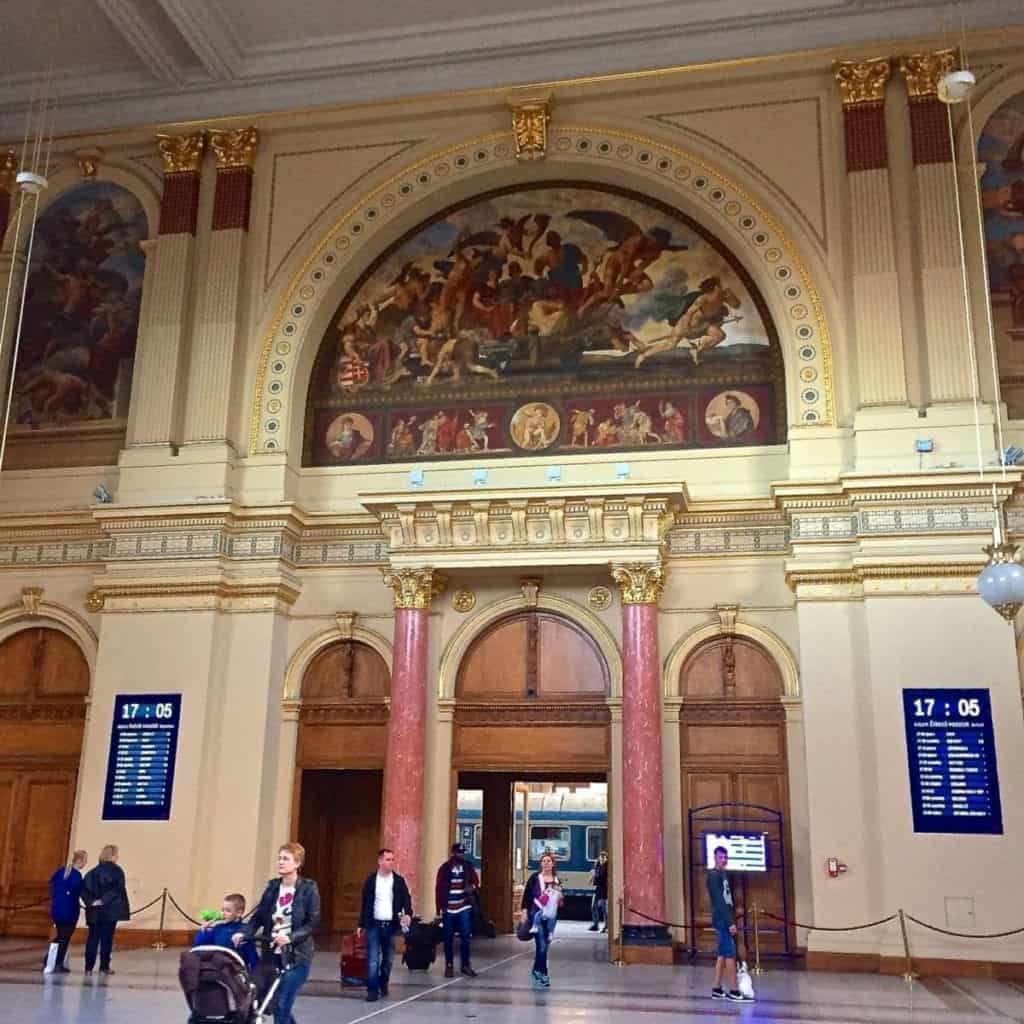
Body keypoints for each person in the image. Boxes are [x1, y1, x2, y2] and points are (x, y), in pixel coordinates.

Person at [237, 843, 320, 1024]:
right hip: (271, 955)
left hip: (296, 956)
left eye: (286, 859)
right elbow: (258, 917)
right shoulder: (273, 887)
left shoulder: (308, 889)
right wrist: (244, 932)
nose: (280, 862)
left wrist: (289, 938)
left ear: (297, 863)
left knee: (282, 1005)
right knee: (274, 1005)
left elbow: (311, 923)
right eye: (280, 858)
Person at [358, 848, 412, 1003]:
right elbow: (365, 903)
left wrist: (407, 913)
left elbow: (406, 899)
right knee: (373, 958)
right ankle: (372, 989)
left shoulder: (398, 881)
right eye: (388, 859)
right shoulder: (371, 880)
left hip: (390, 925)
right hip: (373, 923)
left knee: (388, 959)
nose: (391, 862)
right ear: (380, 861)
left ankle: (383, 982)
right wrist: (361, 923)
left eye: (392, 859)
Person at [706, 845, 750, 1002]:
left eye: (725, 857)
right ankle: (734, 990)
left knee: (722, 954)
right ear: (715, 858)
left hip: (725, 918)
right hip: (721, 919)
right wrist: (729, 922)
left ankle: (716, 988)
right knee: (730, 953)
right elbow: (719, 901)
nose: (723, 860)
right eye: (720, 857)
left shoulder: (723, 874)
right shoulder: (713, 876)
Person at [81, 845, 130, 975]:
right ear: (113, 855)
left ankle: (88, 968)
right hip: (110, 911)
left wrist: (92, 902)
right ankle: (104, 967)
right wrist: (104, 900)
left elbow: (84, 890)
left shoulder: (92, 872)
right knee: (107, 939)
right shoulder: (117, 871)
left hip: (94, 911)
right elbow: (117, 889)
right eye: (117, 854)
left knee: (92, 939)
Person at [435, 842, 479, 979]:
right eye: (458, 852)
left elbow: (476, 882)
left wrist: (471, 887)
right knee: (448, 938)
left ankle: (465, 965)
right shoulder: (444, 868)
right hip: (449, 907)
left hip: (464, 906)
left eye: (462, 853)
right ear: (453, 853)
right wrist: (439, 908)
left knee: (466, 937)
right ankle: (449, 965)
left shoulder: (468, 867)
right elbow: (438, 888)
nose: (461, 855)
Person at [520, 852, 563, 988]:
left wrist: (561, 899)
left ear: (553, 864)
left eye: (549, 861)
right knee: (542, 945)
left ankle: (535, 970)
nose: (546, 863)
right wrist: (525, 912)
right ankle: (543, 974)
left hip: (551, 916)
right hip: (536, 913)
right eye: (544, 861)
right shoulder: (534, 878)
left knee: (544, 946)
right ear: (541, 863)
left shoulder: (556, 880)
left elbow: (560, 899)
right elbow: (527, 895)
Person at [193, 893, 258, 970]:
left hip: (235, 970)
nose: (223, 913)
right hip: (216, 967)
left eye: (228, 911)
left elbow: (252, 956)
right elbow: (198, 946)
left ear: (239, 913)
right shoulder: (218, 928)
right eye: (222, 910)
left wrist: (241, 936)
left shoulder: (245, 928)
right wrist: (203, 931)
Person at [48, 849, 87, 972]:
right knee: (64, 937)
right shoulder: (76, 875)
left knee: (60, 935)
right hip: (69, 910)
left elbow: (52, 886)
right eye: (85, 861)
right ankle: (57, 962)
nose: (85, 863)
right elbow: (79, 892)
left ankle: (50, 958)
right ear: (80, 861)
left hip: (57, 908)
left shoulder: (60, 872)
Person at [589, 851, 608, 933]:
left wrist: (595, 875)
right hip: (598, 888)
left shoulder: (607, 866)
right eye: (601, 857)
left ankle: (606, 925)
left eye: (604, 857)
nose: (602, 858)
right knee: (593, 905)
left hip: (604, 889)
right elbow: (595, 874)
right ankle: (595, 924)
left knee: (604, 908)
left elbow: (602, 876)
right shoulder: (597, 864)